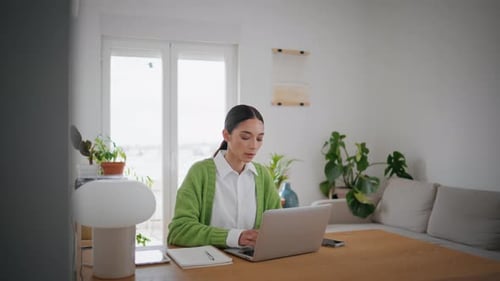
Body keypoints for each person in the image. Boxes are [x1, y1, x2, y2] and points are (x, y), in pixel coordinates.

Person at [167, 104, 282, 248]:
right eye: (245, 137)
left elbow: (278, 226)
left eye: (259, 139)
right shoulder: (200, 173)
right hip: (210, 264)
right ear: (226, 135)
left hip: (252, 264)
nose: (254, 145)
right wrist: (236, 237)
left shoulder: (262, 175)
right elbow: (179, 231)